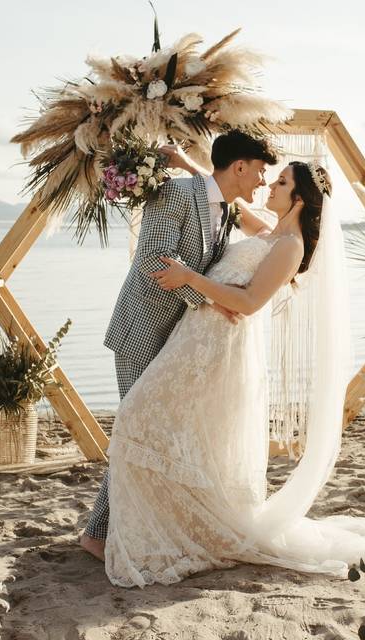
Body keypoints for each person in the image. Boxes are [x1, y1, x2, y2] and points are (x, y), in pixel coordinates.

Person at [104, 156, 365, 587]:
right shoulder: (272, 234)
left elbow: (251, 302)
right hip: (194, 340)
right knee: (157, 426)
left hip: (215, 349)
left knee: (137, 417)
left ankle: (171, 531)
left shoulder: (290, 248)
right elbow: (225, 195)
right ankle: (158, 524)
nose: (271, 185)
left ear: (299, 198)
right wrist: (182, 160)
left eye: (282, 181)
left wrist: (188, 278)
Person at [80, 130, 279, 561]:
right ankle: (96, 534)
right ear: (240, 167)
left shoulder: (225, 210)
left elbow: (268, 230)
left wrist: (201, 292)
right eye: (261, 171)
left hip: (175, 338)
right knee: (136, 428)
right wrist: (205, 297)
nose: (264, 181)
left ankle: (122, 527)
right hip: (141, 330)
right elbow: (152, 259)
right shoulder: (174, 193)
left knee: (151, 433)